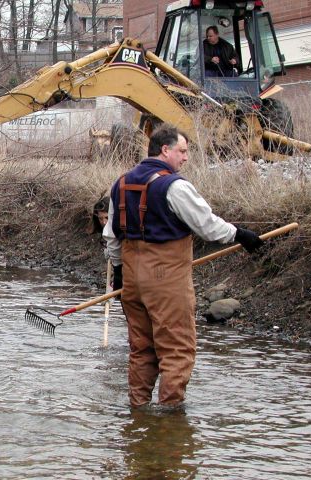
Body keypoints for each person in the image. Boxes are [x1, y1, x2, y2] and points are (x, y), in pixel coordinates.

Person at [102, 124, 263, 408]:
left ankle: (138, 411)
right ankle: (170, 419)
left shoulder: (121, 182)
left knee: (141, 349)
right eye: (182, 151)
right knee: (176, 348)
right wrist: (239, 234)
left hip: (131, 280)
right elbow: (208, 226)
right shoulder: (174, 185)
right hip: (166, 280)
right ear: (165, 150)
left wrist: (118, 272)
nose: (185, 158)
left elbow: (112, 236)